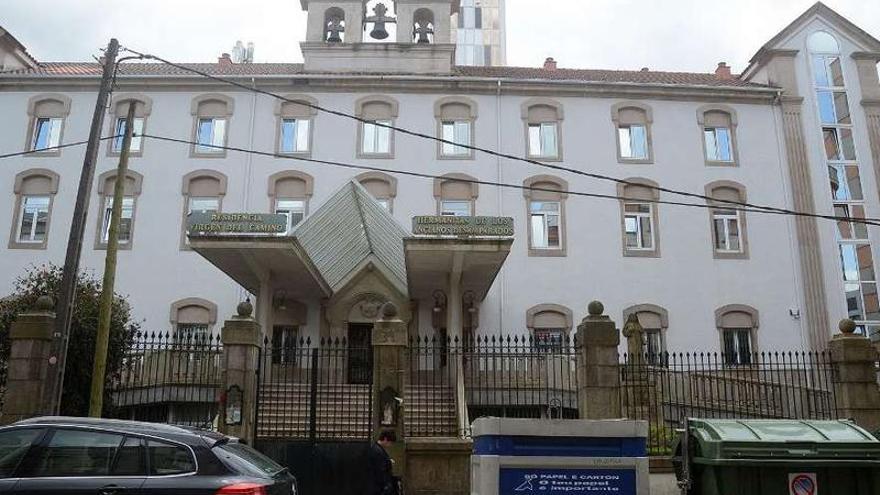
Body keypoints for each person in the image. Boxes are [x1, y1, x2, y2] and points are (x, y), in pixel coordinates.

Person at [368, 430, 397, 495]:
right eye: (390, 442)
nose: (390, 445)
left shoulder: (376, 448)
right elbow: (380, 471)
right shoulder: (378, 451)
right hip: (379, 487)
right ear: (385, 439)